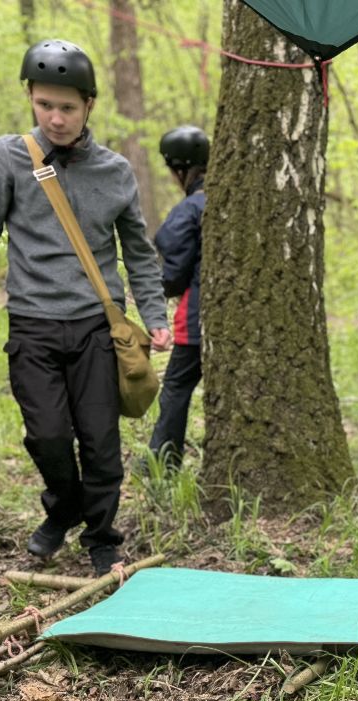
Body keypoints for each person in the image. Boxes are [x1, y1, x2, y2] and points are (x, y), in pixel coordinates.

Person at [0, 40, 170, 576]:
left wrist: (157, 316)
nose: (55, 118)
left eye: (68, 108)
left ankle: (102, 537)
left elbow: (139, 254)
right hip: (32, 324)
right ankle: (65, 505)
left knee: (100, 443)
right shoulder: (8, 157)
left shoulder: (116, 171)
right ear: (30, 96)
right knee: (47, 435)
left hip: (98, 328)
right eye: (45, 105)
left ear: (90, 105)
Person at [147, 125, 208, 469]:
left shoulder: (188, 210)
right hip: (224, 322)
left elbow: (173, 273)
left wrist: (156, 287)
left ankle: (161, 461)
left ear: (181, 170)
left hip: (195, 319)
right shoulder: (227, 200)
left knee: (175, 387)